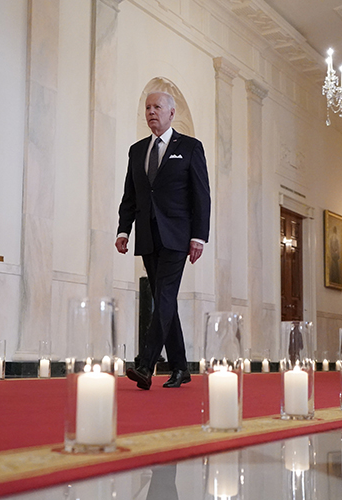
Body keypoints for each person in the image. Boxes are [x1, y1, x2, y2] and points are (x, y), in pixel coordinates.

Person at [116, 91, 211, 390]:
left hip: (178, 235)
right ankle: (181, 368)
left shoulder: (190, 147)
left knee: (165, 296)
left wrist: (199, 236)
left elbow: (201, 196)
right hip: (147, 234)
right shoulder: (136, 150)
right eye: (147, 107)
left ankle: (146, 364)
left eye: (157, 107)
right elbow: (130, 195)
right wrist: (123, 230)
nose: (151, 112)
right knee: (164, 300)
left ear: (171, 113)